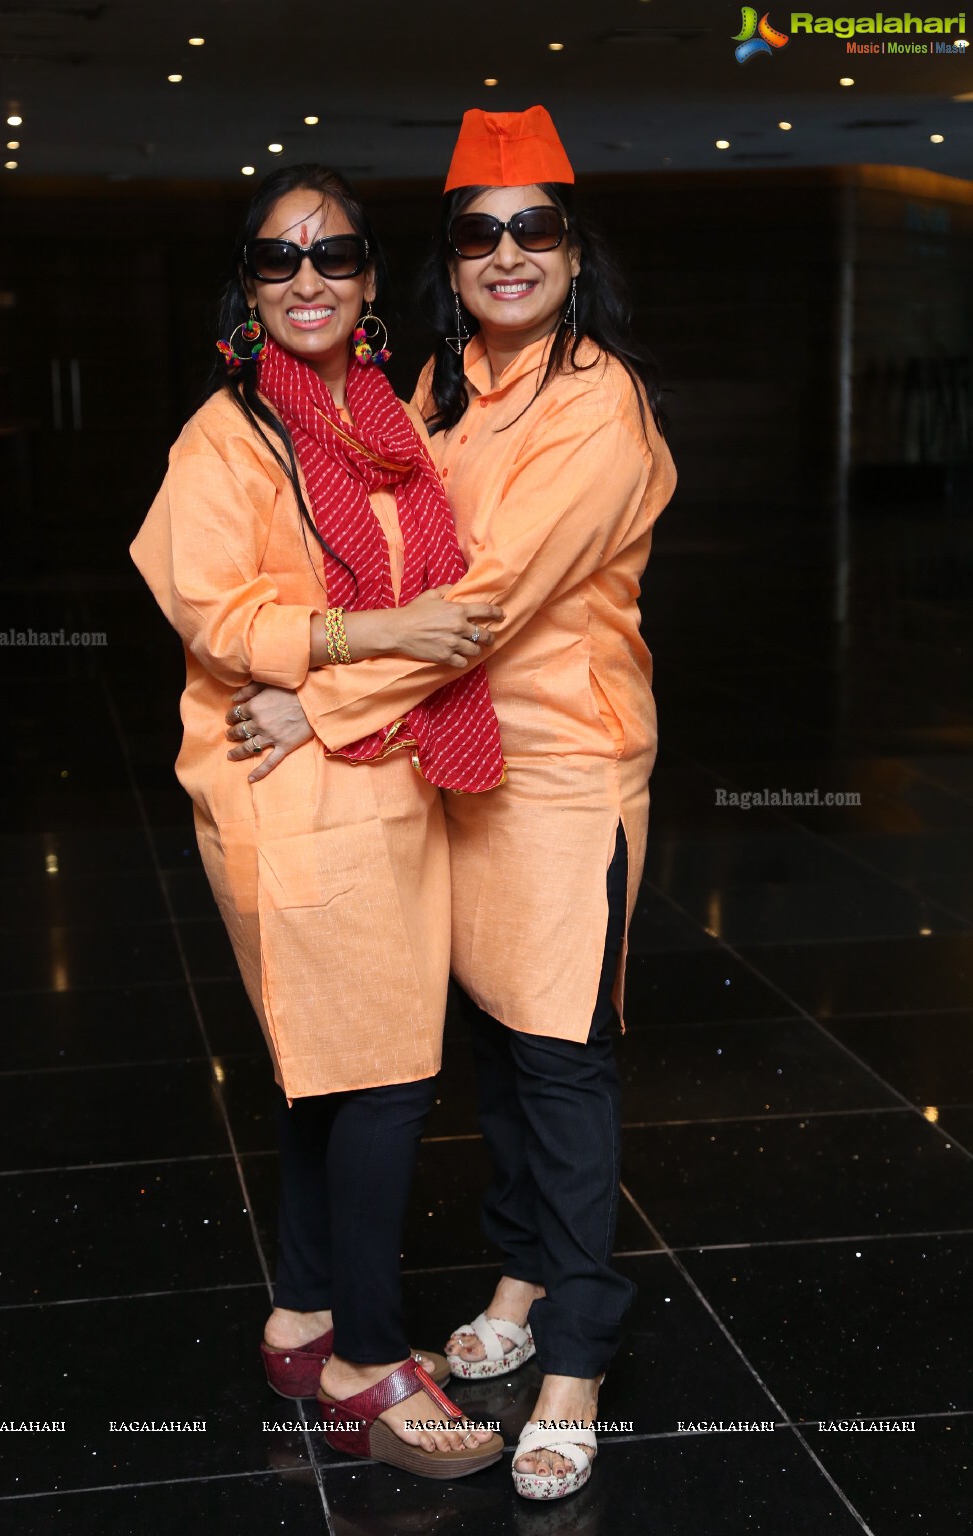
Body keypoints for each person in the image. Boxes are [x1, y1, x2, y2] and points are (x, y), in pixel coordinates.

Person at [225, 109, 676, 1502]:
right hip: (444, 758)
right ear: (447, 261)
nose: (507, 253)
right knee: (489, 1040)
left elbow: (484, 602)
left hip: (558, 770)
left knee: (561, 1059)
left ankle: (579, 1355)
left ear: (577, 250)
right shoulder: (434, 384)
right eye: (479, 231)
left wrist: (317, 697)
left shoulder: (599, 404)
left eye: (535, 227)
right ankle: (524, 1274)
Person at [130, 163, 506, 1480]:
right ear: (249, 288)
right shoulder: (225, 439)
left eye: (335, 257)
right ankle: (364, 1357)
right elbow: (216, 616)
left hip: (387, 775)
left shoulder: (389, 426)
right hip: (289, 796)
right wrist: (367, 637)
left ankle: (302, 1316)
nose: (309, 281)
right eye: (280, 262)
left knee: (327, 1072)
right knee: (387, 1078)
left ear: (367, 283)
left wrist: (345, 679)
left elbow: (453, 608)